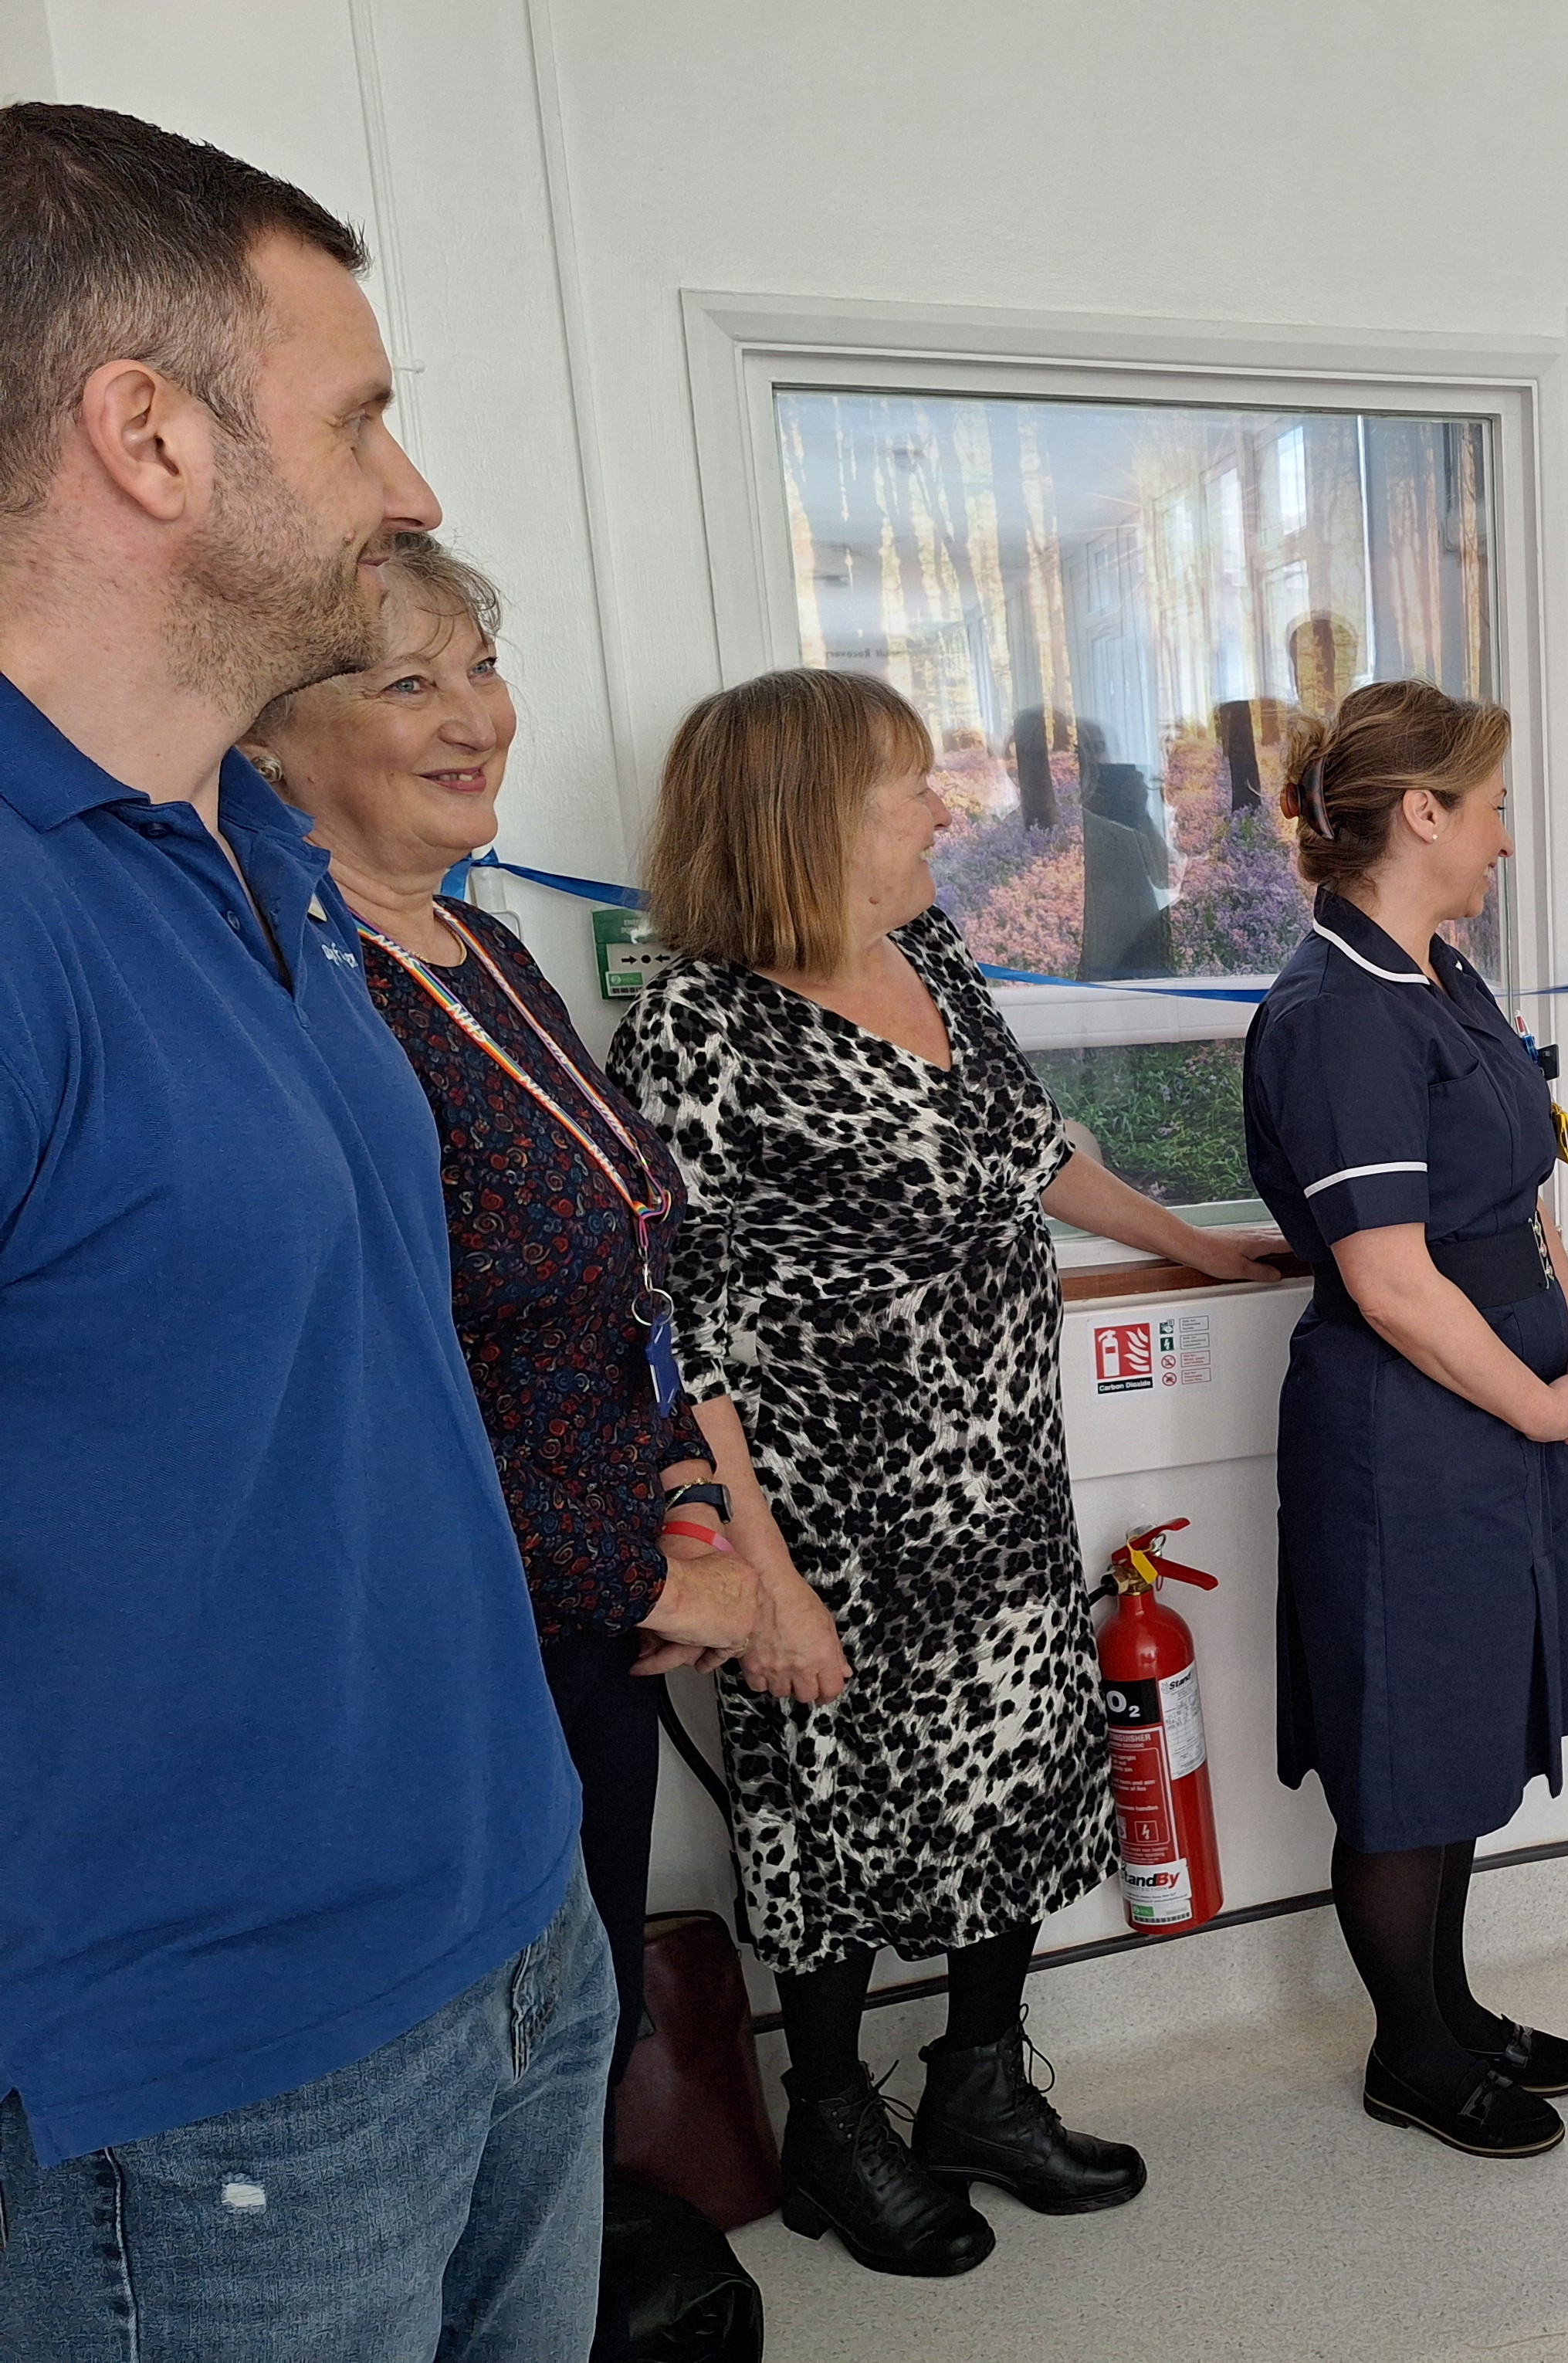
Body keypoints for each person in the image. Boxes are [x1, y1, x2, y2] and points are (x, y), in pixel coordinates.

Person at [0, 104, 612, 2359]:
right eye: (358, 414)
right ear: (147, 438)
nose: (412, 489)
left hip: (512, 1930)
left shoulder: (260, 849)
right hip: (216, 2080)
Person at [609, 666, 1278, 2279]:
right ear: (802, 820)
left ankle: (978, 2084)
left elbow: (1038, 1152)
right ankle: (834, 2120)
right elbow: (679, 1337)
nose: (946, 812)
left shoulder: (928, 953)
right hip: (828, 1517)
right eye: (909, 788)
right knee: (830, 1818)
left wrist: (1204, 1245)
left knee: (1017, 1777)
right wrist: (756, 1579)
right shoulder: (697, 1028)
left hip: (998, 1485)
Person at [239, 535, 760, 2284]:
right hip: (460, 1633)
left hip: (599, 1610)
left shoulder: (483, 946)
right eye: (407, 682)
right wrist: (638, 1568)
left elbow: (623, 1279)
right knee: (470, 2079)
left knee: (572, 2038)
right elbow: (366, 1385)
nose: (475, 719)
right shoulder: (294, 985)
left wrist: (688, 1505)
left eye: (478, 667)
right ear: (266, 736)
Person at [1241, 679, 1568, 2160]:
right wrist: (1541, 1397)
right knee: (1407, 1744)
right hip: (1406, 1434)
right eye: (1488, 808)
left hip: (1499, 1409)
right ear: (1420, 815)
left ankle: (1453, 2004)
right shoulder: (1337, 1013)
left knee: (1466, 1720)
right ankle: (1409, 2050)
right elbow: (1395, 1283)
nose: (1504, 841)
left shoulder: (1436, 973)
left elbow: (1516, 1183)